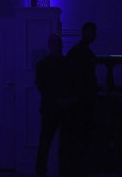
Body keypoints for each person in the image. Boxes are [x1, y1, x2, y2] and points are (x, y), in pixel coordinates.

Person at [62, 22, 98, 176]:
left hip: (78, 101)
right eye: (92, 32)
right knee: (81, 138)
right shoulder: (85, 54)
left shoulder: (76, 52)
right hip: (81, 102)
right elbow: (85, 80)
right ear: (85, 33)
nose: (94, 35)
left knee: (78, 139)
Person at [35, 33, 71, 177]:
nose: (58, 45)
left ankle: (41, 171)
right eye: (56, 43)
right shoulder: (66, 63)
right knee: (55, 142)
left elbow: (42, 86)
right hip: (59, 107)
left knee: (45, 142)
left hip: (51, 107)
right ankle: (57, 170)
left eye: (58, 43)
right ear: (51, 45)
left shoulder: (43, 65)